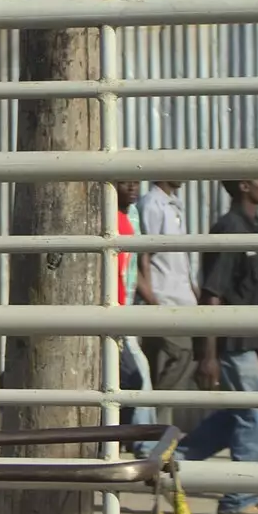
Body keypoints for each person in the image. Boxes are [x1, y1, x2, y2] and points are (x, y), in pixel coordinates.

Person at [177, 179, 258, 514]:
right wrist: (208, 355)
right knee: (256, 421)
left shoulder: (251, 230)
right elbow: (212, 294)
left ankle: (167, 462)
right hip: (231, 345)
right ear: (243, 186)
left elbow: (249, 295)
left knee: (234, 420)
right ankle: (240, 498)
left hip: (247, 342)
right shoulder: (230, 229)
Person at [134, 180, 198, 397]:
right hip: (163, 299)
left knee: (154, 367)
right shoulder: (152, 204)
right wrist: (151, 298)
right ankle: (153, 409)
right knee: (184, 353)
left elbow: (176, 258)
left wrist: (192, 288)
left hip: (180, 298)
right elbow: (142, 255)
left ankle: (149, 419)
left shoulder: (173, 206)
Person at [114, 181, 154, 448]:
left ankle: (138, 440)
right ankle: (143, 442)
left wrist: (151, 299)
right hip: (111, 307)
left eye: (135, 182)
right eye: (124, 182)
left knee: (134, 376)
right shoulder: (103, 213)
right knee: (136, 375)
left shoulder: (134, 214)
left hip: (125, 305)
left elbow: (135, 263)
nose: (132, 187)